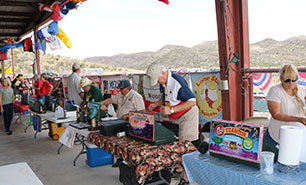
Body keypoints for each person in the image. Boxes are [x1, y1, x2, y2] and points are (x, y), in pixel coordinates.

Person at [146, 62, 199, 185]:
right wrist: (157, 104)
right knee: (177, 144)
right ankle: (181, 166)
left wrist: (172, 110)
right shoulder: (163, 82)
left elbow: (192, 101)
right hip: (176, 117)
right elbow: (164, 96)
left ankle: (186, 178)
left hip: (188, 116)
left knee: (186, 146)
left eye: (158, 79)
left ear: (163, 72)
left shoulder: (177, 81)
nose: (158, 82)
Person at [264, 64, 306, 160]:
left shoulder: (302, 90)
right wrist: (298, 119)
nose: (291, 83)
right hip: (277, 139)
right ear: (281, 79)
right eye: (287, 80)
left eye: (294, 80)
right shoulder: (275, 91)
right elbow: (276, 115)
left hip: (297, 137)